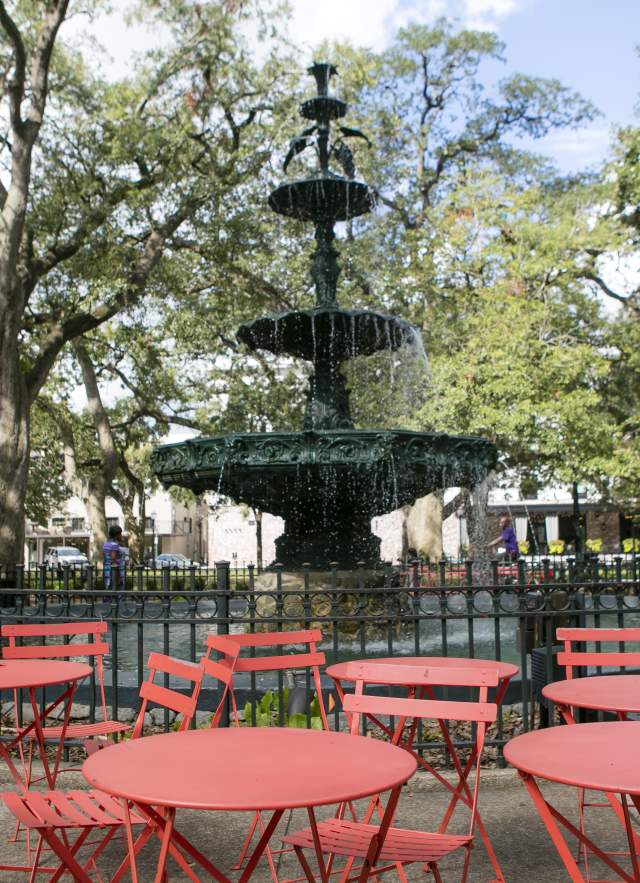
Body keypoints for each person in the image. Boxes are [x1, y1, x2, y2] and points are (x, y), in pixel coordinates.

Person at [103, 524, 125, 590]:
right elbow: (113, 560)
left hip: (107, 569)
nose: (121, 535)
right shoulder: (115, 545)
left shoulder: (106, 544)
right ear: (116, 535)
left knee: (108, 587)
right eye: (120, 534)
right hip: (115, 571)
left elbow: (105, 557)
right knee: (117, 588)